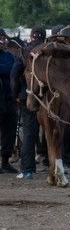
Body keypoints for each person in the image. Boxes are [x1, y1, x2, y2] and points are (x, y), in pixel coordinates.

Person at [10, 26, 46, 179]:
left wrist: (16, 94)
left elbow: (14, 74)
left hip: (28, 97)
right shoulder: (47, 50)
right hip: (47, 98)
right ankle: (55, 164)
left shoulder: (25, 51)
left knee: (29, 133)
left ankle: (27, 170)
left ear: (31, 36)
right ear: (44, 38)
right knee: (51, 131)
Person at [0, 29, 17, 173]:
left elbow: (12, 69)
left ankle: (5, 161)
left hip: (9, 99)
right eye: (1, 39)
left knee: (10, 131)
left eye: (4, 38)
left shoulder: (9, 56)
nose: (3, 41)